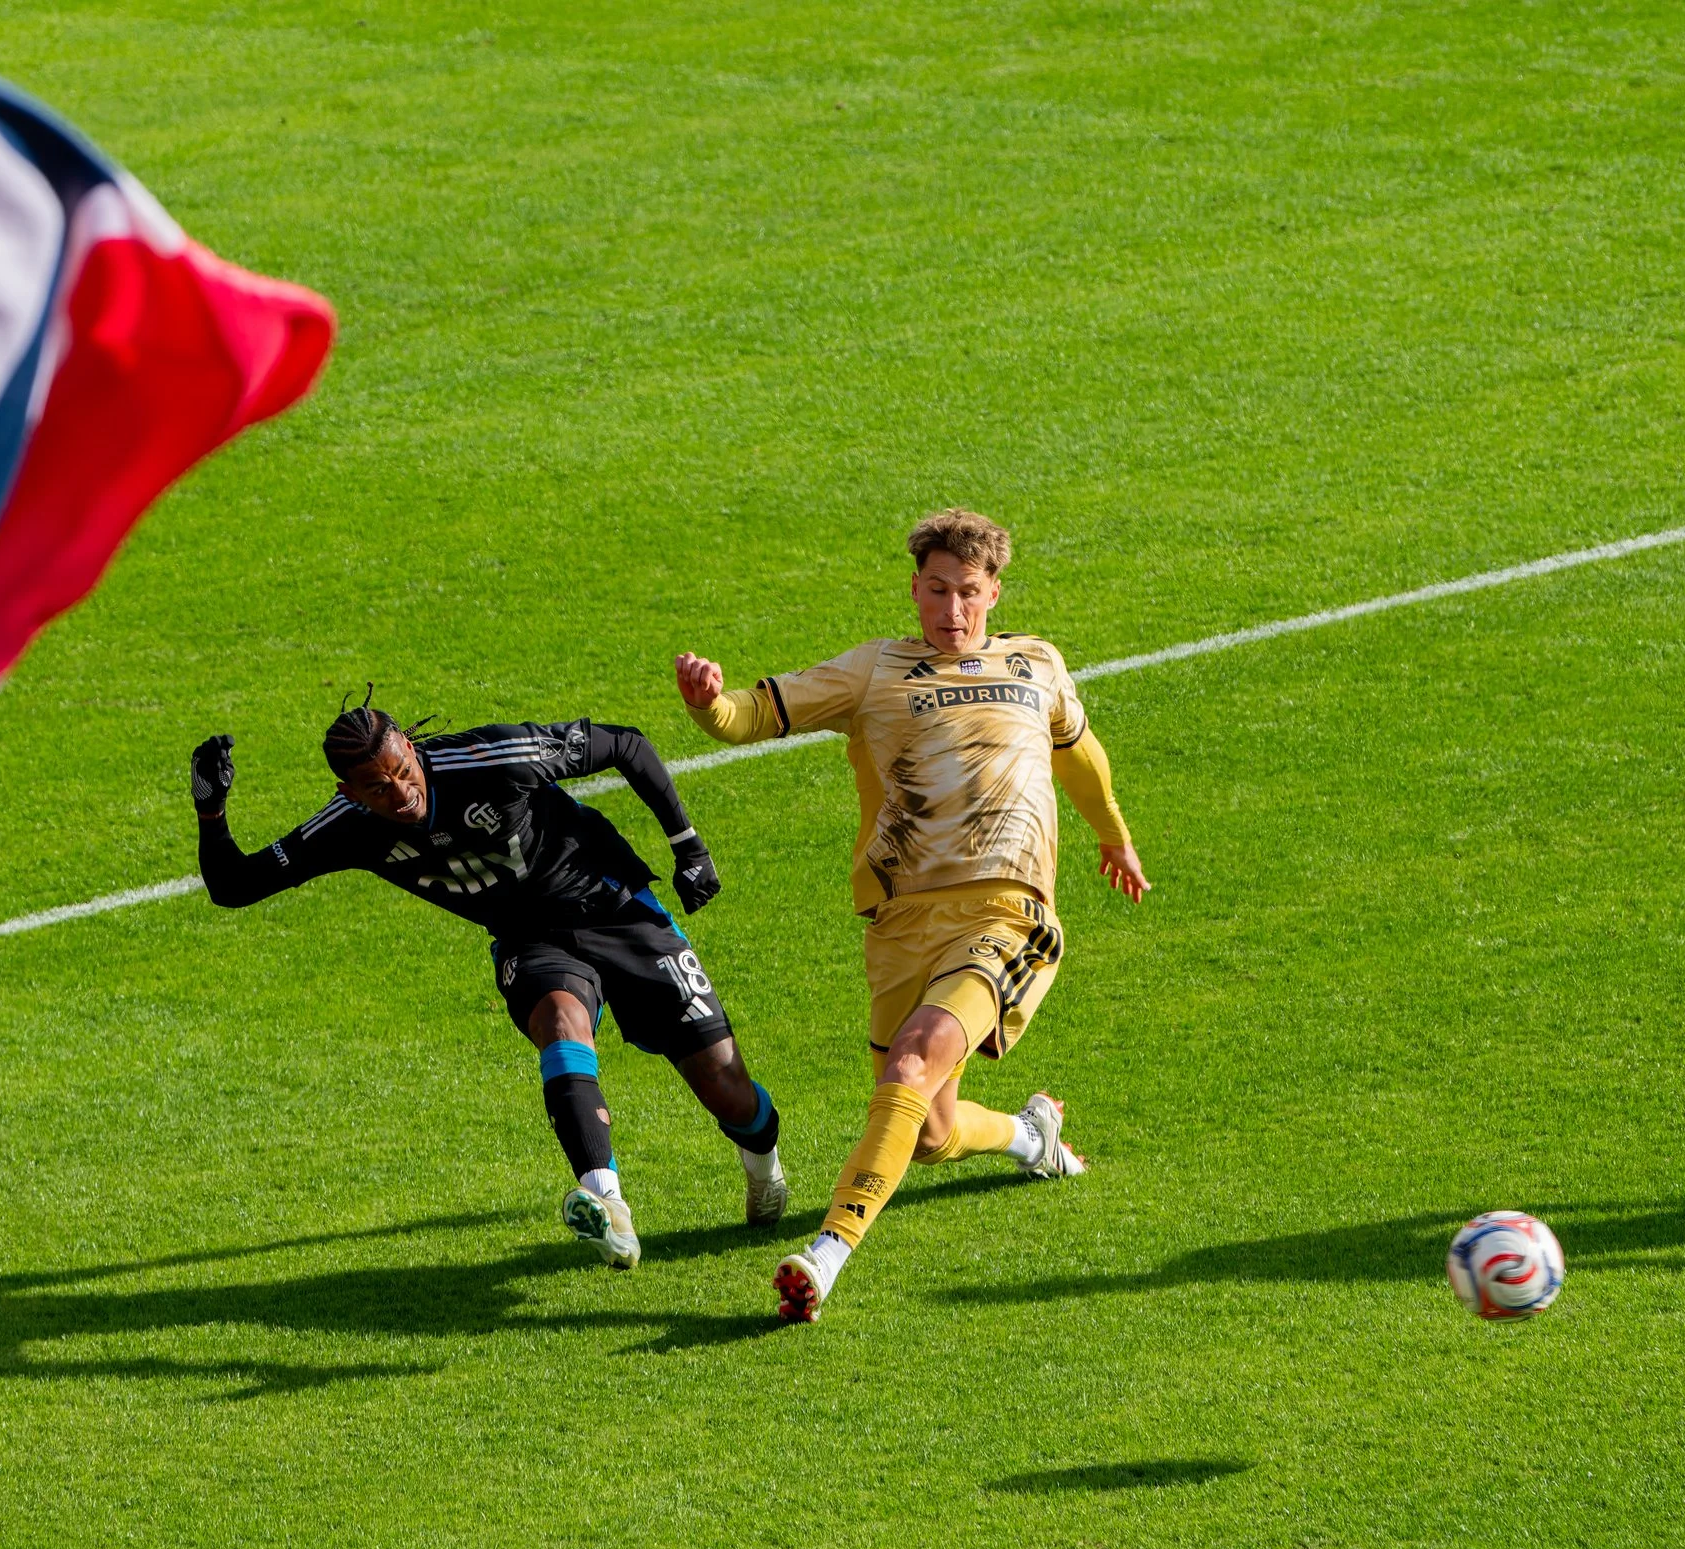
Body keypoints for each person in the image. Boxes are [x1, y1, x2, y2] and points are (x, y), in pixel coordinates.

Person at [673, 508, 1149, 1321]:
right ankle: (1030, 1137)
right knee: (926, 1131)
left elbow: (1080, 751)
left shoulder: (1038, 664)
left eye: (968, 592)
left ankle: (824, 1257)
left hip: (1006, 914)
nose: (952, 611)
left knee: (911, 1064)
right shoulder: (875, 672)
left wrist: (1116, 837)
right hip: (899, 927)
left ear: (994, 591)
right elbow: (753, 715)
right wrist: (708, 703)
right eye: (937, 591)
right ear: (915, 589)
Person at [188, 695, 787, 1268]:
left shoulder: (494, 759)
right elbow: (235, 886)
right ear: (349, 793)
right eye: (377, 787)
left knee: (723, 1082)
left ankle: (763, 1167)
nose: (401, 794)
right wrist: (211, 811)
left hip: (614, 908)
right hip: (530, 940)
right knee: (560, 1024)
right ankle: (611, 1207)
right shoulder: (348, 826)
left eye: (403, 772)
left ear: (412, 751)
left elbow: (626, 746)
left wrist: (689, 848)